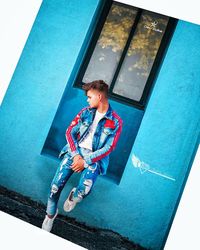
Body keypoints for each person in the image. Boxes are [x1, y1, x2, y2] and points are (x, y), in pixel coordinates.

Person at [42, 80, 123, 232]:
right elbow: (69, 132)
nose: (87, 100)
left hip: (94, 158)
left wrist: (86, 161)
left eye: (90, 96)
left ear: (99, 96)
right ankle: (50, 215)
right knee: (54, 188)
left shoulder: (116, 121)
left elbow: (109, 147)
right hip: (75, 152)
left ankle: (74, 196)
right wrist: (76, 156)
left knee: (83, 191)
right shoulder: (85, 112)